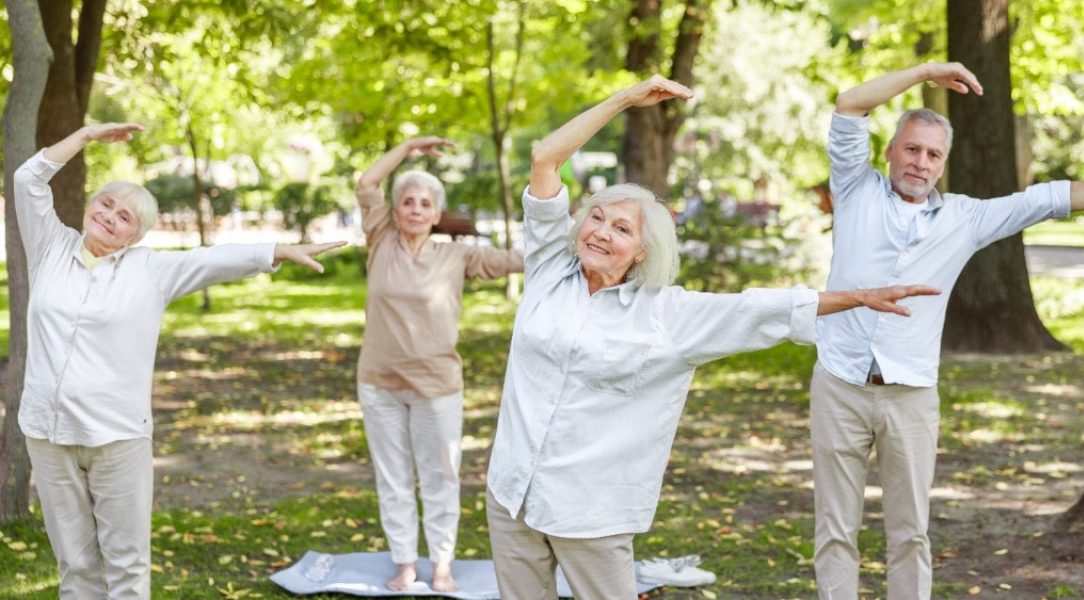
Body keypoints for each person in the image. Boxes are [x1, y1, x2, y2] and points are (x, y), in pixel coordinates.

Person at [483, 75, 941, 600]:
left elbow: (758, 309)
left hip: (590, 510)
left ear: (642, 253)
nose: (602, 232)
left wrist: (858, 297)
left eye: (622, 229)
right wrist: (626, 99)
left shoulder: (668, 316)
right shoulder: (548, 268)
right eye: (598, 218)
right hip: (511, 491)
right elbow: (545, 158)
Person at [812, 62, 1084, 599]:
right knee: (834, 530)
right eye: (912, 149)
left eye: (933, 155)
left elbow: (1047, 199)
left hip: (911, 396)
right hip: (839, 385)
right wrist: (924, 73)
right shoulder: (855, 189)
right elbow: (850, 102)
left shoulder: (963, 219)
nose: (920, 163)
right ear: (892, 150)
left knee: (910, 533)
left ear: (944, 165)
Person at [15, 122, 343, 599]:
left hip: (116, 437)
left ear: (135, 236)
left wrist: (279, 250)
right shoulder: (50, 246)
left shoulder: (150, 270)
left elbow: (213, 259)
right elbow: (28, 179)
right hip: (47, 433)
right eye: (106, 204)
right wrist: (85, 136)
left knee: (126, 568)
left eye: (124, 217)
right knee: (76, 566)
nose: (110, 216)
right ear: (90, 206)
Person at [354, 137, 523, 592]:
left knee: (440, 477)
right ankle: (405, 562)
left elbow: (510, 261)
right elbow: (367, 181)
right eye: (406, 201)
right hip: (379, 382)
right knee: (393, 478)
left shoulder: (455, 255)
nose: (414, 208)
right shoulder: (380, 240)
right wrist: (408, 149)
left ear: (435, 214)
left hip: (437, 384)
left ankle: (442, 563)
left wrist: (574, 245)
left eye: (424, 203)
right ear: (394, 210)